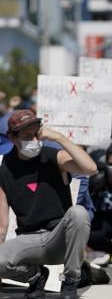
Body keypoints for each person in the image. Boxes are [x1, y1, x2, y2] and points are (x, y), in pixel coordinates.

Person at [0, 109, 97, 299]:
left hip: (58, 237)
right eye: (27, 136)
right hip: (28, 240)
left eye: (36, 134)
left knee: (78, 212)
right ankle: (35, 276)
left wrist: (60, 137)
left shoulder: (53, 156)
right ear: (12, 138)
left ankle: (70, 281)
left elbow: (90, 168)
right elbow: (1, 225)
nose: (34, 140)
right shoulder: (5, 169)